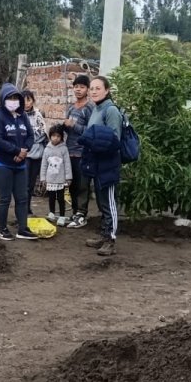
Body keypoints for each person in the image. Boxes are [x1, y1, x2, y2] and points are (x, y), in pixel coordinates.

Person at [78, 75, 123, 256]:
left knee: (109, 202)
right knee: (102, 202)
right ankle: (103, 236)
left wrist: (94, 142)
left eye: (98, 88)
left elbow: (114, 139)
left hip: (108, 164)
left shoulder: (111, 110)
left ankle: (110, 240)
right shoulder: (96, 109)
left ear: (107, 90)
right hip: (96, 163)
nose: (94, 91)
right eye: (92, 88)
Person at [0, 83, 39, 241]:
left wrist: (24, 151)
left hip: (20, 163)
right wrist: (17, 151)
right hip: (2, 163)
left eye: (16, 97)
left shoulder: (22, 115)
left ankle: (22, 229)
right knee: (5, 198)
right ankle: (1, 229)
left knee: (22, 198)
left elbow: (30, 135)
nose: (13, 100)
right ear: (3, 99)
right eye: (10, 98)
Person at [63, 74, 95, 228]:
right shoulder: (70, 107)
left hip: (83, 153)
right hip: (70, 152)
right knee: (72, 184)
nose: (78, 90)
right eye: (76, 87)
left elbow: (91, 131)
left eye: (82, 87)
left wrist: (73, 125)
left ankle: (82, 215)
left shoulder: (89, 108)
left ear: (87, 90)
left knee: (83, 185)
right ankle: (75, 213)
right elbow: (68, 130)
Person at [22, 89, 47, 216]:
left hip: (37, 154)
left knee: (31, 184)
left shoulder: (38, 114)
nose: (26, 103)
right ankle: (23, 209)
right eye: (24, 100)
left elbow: (43, 132)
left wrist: (31, 136)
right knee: (24, 184)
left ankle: (28, 208)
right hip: (25, 154)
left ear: (33, 101)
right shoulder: (18, 115)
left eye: (29, 100)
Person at [41, 124, 72, 225]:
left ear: (61, 137)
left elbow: (67, 164)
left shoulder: (64, 149)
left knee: (60, 198)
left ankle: (62, 216)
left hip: (60, 179)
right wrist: (43, 178)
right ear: (50, 136)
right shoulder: (47, 149)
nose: (55, 138)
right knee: (51, 197)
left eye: (58, 136)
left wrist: (68, 178)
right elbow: (44, 164)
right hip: (50, 179)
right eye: (53, 136)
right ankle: (52, 213)